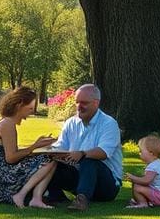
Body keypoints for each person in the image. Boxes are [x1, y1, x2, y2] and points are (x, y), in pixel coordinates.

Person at [46, 83, 123, 211]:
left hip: (106, 186)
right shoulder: (71, 122)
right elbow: (61, 146)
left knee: (89, 160)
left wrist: (82, 153)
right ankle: (55, 196)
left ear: (96, 103)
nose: (79, 107)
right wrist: (50, 151)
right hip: (80, 176)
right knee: (50, 162)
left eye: (84, 103)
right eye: (77, 102)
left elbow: (103, 152)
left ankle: (82, 200)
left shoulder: (109, 123)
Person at [0, 86, 57, 209]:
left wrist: (37, 145)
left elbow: (13, 153)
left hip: (7, 170)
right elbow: (10, 158)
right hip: (5, 175)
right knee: (47, 161)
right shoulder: (7, 124)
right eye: (30, 108)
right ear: (19, 105)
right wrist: (34, 146)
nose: (31, 112)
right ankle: (20, 196)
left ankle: (36, 199)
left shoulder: (7, 123)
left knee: (50, 159)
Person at [124, 134, 160, 208]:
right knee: (139, 184)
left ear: (151, 153)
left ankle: (143, 203)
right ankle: (144, 200)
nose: (139, 153)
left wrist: (133, 178)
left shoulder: (153, 166)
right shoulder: (158, 163)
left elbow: (146, 181)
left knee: (137, 186)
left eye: (141, 151)